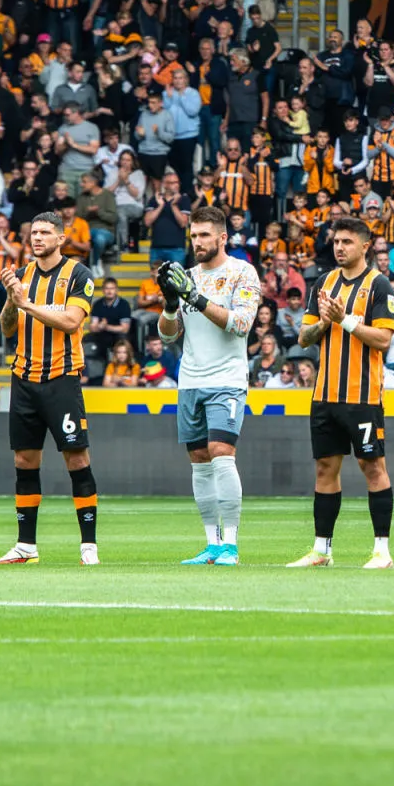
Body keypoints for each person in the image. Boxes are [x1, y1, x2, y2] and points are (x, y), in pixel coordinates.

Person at [288, 216, 394, 569]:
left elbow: (383, 340)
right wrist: (325, 322)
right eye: (336, 242)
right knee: (324, 468)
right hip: (325, 395)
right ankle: (322, 550)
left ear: (365, 246)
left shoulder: (380, 285)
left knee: (372, 466)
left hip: (362, 396)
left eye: (347, 242)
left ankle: (382, 551)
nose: (339, 247)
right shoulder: (323, 282)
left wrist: (345, 320)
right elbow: (304, 338)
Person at [157, 205, 262, 567]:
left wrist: (195, 298)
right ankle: (212, 544)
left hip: (227, 381)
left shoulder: (242, 273)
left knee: (221, 452)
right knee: (199, 462)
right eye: (194, 235)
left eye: (204, 235)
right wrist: (171, 305)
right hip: (190, 381)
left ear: (222, 237)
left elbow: (241, 324)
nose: (197, 242)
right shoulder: (185, 275)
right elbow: (168, 335)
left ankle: (231, 544)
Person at [0, 212, 101, 566]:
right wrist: (12, 298)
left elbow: (71, 322)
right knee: (24, 460)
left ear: (61, 238)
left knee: (77, 458)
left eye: (44, 232)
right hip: (24, 378)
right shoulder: (21, 276)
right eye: (33, 231)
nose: (37, 237)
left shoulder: (79, 275)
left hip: (62, 377)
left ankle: (88, 546)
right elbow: (7, 328)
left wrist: (26, 303)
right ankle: (26, 546)